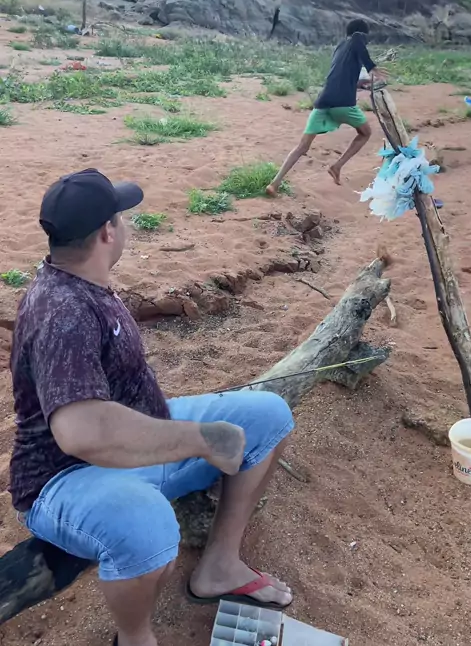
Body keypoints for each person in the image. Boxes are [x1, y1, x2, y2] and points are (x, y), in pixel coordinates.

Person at [9, 169, 294, 646]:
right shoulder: (62, 311)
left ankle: (220, 564)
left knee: (268, 417)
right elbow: (81, 432)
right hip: (63, 479)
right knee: (148, 526)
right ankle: (134, 636)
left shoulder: (82, 282)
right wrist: (200, 439)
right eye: (120, 217)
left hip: (136, 440)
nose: (125, 225)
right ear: (107, 231)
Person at [266, 19, 388, 193]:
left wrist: (360, 83)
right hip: (343, 103)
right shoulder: (356, 40)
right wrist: (372, 67)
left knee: (302, 146)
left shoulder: (339, 48)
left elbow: (341, 78)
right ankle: (337, 166)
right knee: (365, 133)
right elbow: (357, 39)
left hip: (323, 102)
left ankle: (274, 183)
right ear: (361, 34)